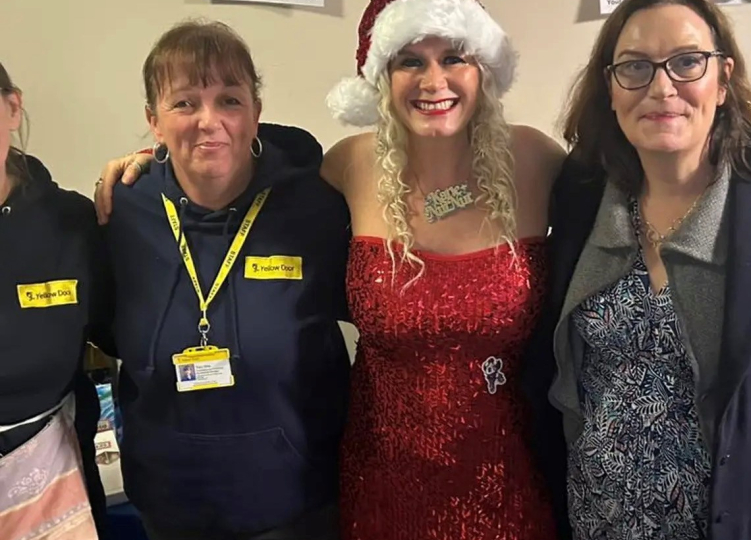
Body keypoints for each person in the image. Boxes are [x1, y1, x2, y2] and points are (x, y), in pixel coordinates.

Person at [95, 1, 567, 538]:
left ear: (484, 66)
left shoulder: (534, 160)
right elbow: (230, 148)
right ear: (381, 76)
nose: (433, 80)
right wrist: (152, 160)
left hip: (505, 465)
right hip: (380, 469)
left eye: (454, 56)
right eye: (409, 60)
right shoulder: (350, 165)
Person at [538, 0, 751, 538]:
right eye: (635, 66)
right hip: (594, 522)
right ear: (611, 87)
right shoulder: (581, 196)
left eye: (686, 61)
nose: (662, 86)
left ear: (722, 79)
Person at [100, 20, 351, 540]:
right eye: (185, 103)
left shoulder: (315, 207)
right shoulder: (123, 209)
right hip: (168, 504)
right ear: (153, 121)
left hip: (296, 504)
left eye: (230, 100)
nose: (208, 121)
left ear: (257, 113)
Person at [0, 61, 110, 539]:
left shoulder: (70, 221)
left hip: (54, 483)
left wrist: (154, 172)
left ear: (12, 107)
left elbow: (122, 332)